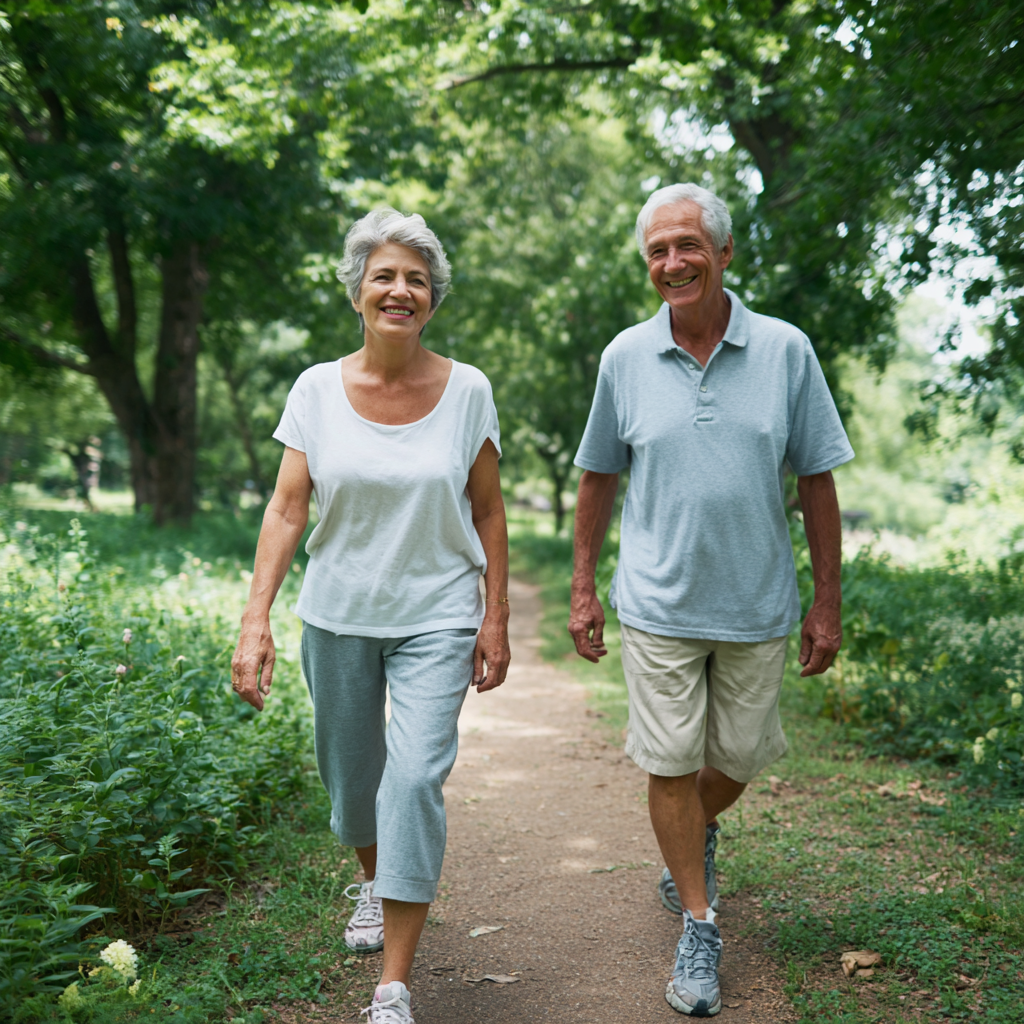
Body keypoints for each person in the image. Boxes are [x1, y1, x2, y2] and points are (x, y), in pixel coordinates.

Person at [568, 183, 853, 1017]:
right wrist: (584, 588)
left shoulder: (787, 351)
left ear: (725, 253)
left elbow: (818, 478)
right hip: (656, 602)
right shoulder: (624, 357)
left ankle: (694, 835)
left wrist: (826, 600)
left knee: (740, 757)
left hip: (757, 603)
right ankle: (699, 922)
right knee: (667, 764)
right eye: (657, 251)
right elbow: (597, 477)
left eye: (688, 245)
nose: (672, 262)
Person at [230, 208, 511, 1024]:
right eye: (384, 275)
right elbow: (287, 510)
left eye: (416, 279)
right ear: (358, 290)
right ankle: (370, 878)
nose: (399, 290)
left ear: (433, 299)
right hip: (340, 612)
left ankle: (394, 984)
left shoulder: (468, 391)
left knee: (414, 778)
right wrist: (257, 620)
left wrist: (494, 616)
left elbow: (487, 510)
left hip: (437, 613)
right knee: (354, 788)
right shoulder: (317, 390)